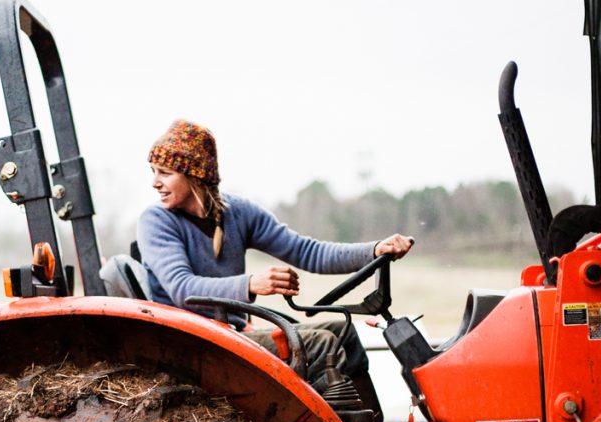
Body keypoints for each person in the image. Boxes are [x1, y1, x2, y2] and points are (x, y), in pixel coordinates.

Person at [137, 119, 414, 406]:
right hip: (195, 343)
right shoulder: (156, 221)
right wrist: (252, 284)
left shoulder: (237, 213)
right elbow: (184, 289)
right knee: (321, 345)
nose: (155, 182)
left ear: (194, 175)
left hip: (231, 334)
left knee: (344, 333)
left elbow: (307, 251)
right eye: (154, 172)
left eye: (165, 173)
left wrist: (374, 250)